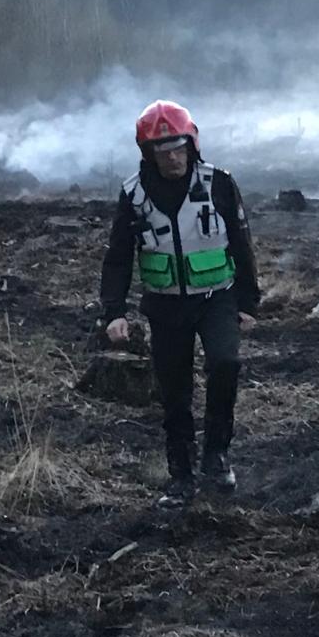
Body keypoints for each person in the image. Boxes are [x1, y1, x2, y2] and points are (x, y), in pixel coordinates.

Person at [100, 100, 260, 508]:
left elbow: (241, 243)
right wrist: (114, 311)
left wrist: (248, 302)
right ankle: (181, 475)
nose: (173, 158)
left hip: (217, 299)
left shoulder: (219, 183)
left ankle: (217, 456)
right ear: (148, 153)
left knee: (225, 363)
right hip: (165, 305)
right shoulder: (133, 195)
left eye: (178, 148)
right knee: (174, 392)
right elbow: (118, 256)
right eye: (162, 150)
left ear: (192, 144)